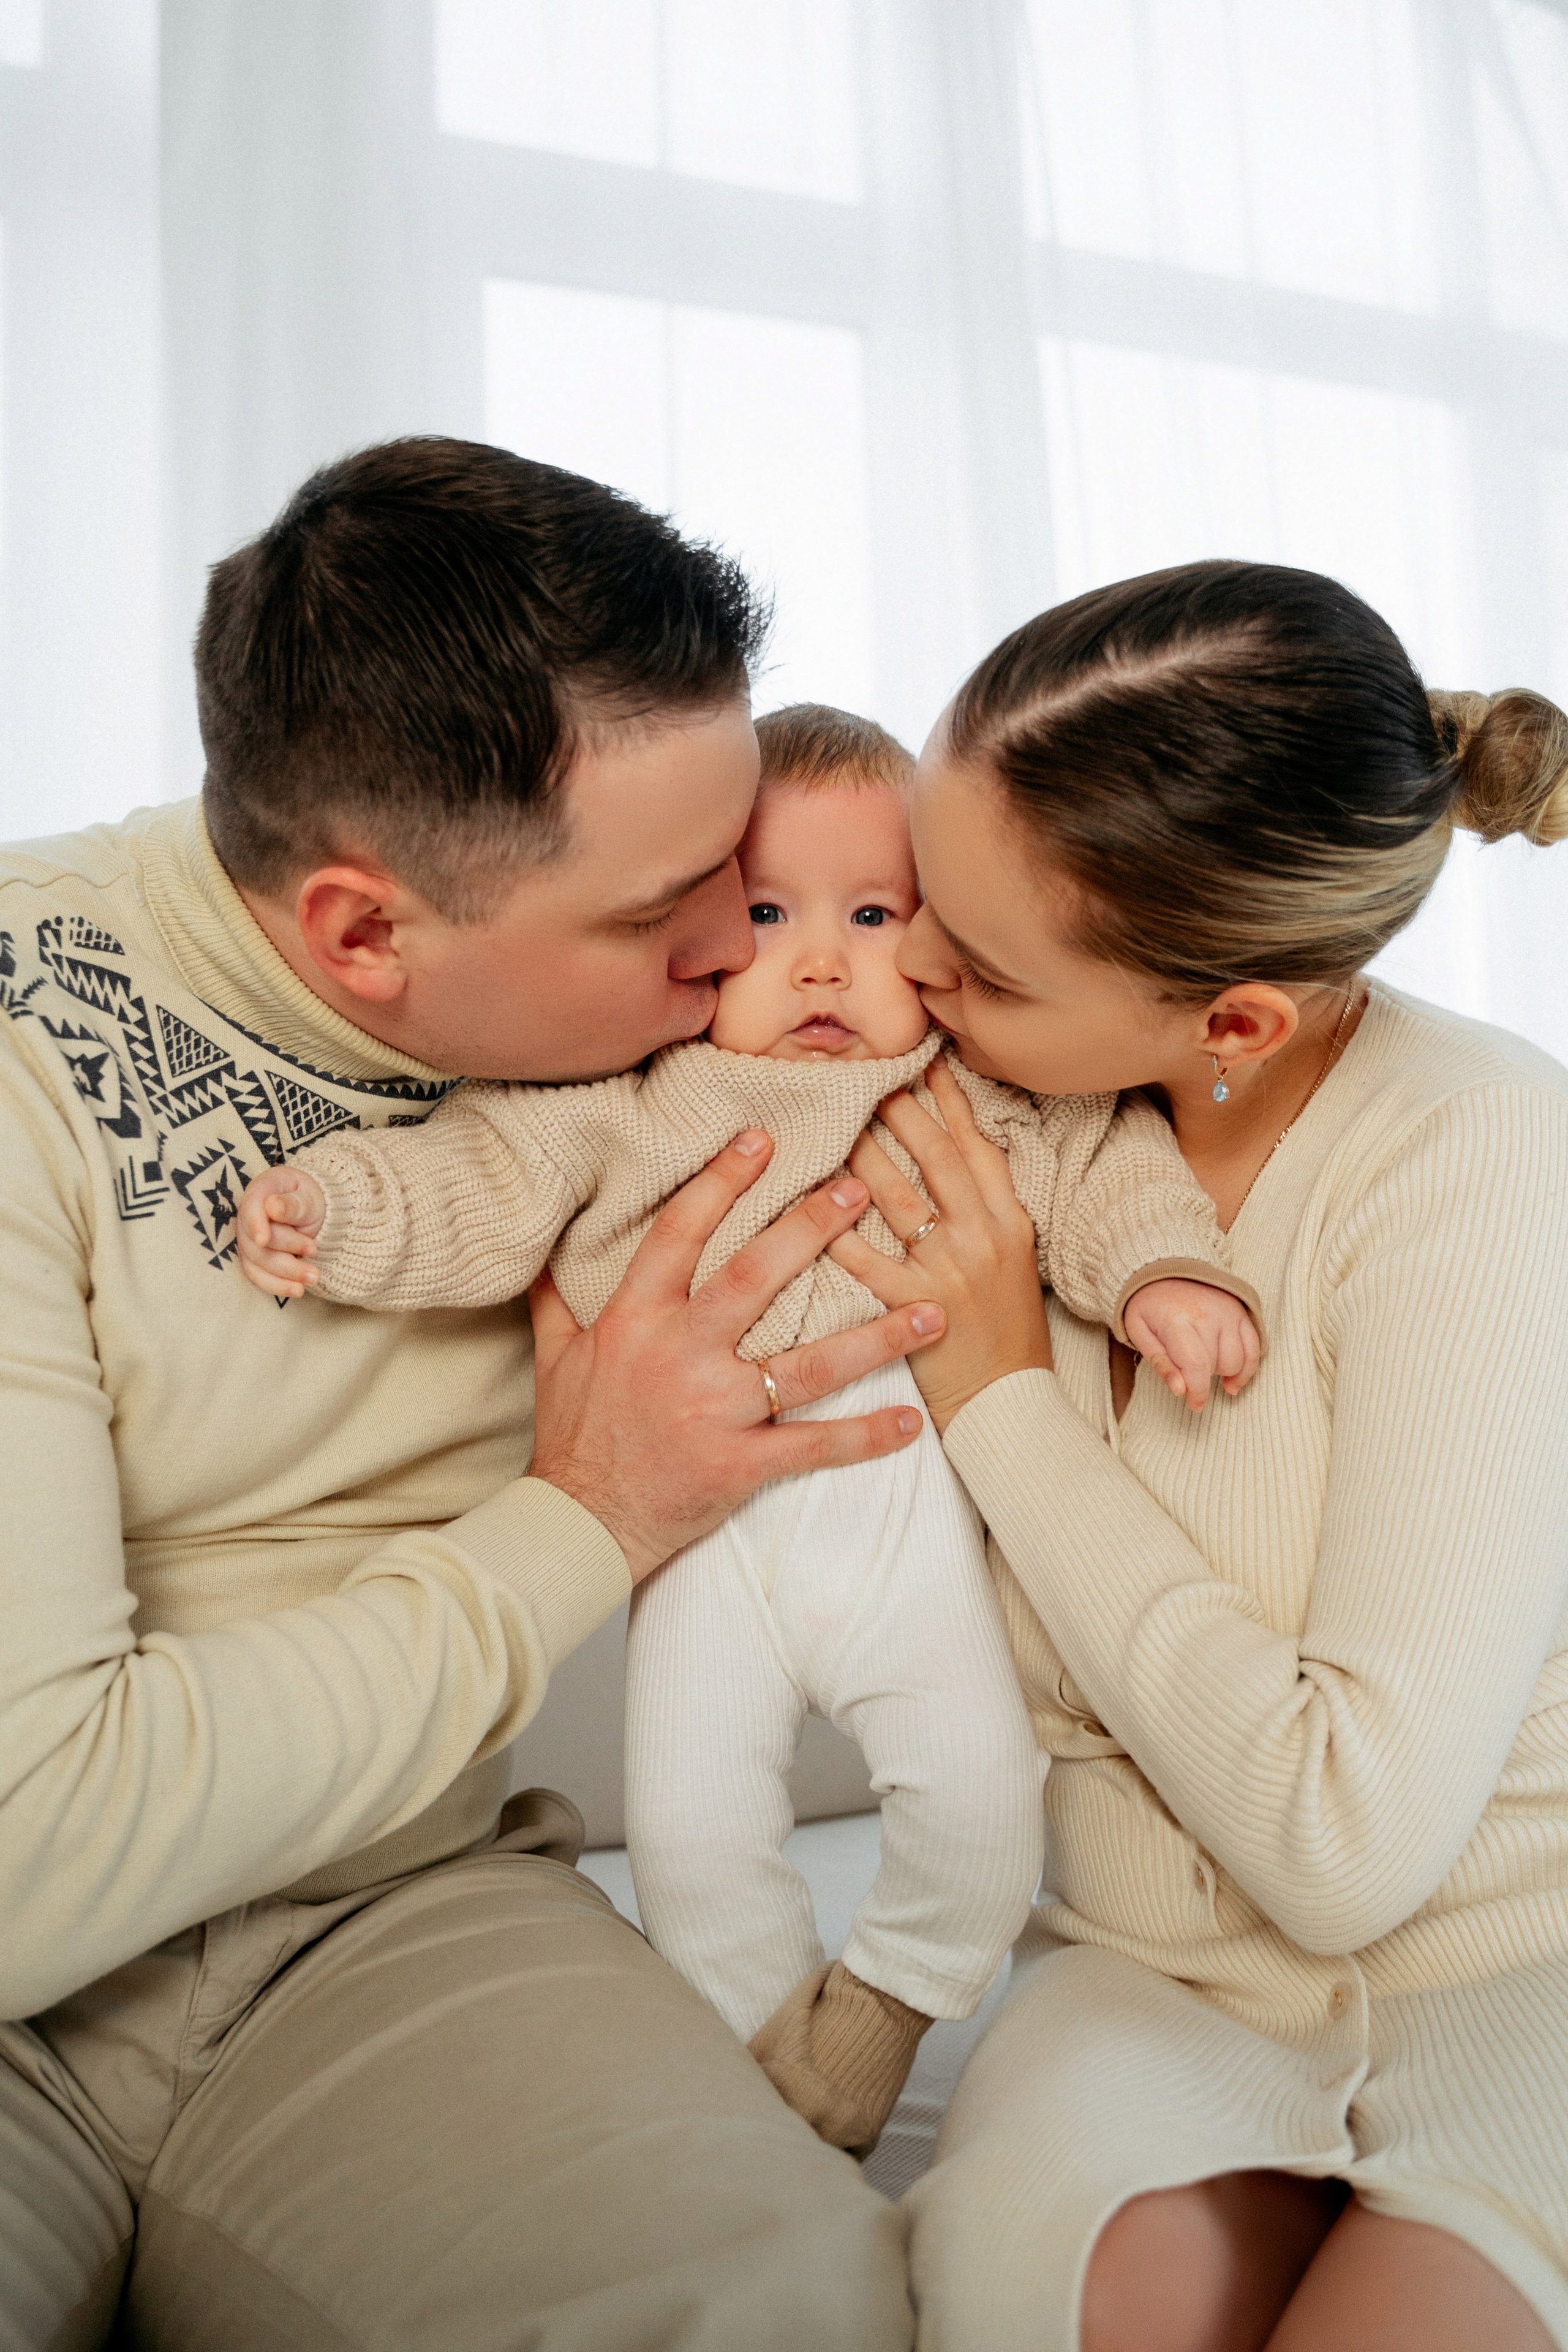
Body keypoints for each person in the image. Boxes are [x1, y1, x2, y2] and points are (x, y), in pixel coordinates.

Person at [0, 440, 947, 2352]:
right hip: (23, 1977)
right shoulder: (29, 1037)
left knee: (780, 2297)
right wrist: (590, 1520)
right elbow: (30, 1845)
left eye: (749, 875)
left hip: (389, 1909)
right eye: (675, 912)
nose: (739, 955)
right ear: (364, 934)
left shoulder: (724, 1050)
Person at [235, 701, 1262, 2158]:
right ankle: (780, 2079)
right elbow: (479, 1177)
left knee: (981, 1812)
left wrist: (1164, 1274)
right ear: (701, 928)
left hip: (909, 1524)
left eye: (871, 913)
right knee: (690, 1845)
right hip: (702, 1546)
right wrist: (334, 1210)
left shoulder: (965, 1089)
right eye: (768, 913)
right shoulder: (633, 1096)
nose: (824, 960)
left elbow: (1110, 1167)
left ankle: (881, 2014)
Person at [829, 562, 1568, 2352]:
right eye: (921, 892)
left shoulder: (1480, 1161)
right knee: (1039, 2303)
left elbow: (1341, 1846)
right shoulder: (987, 1127)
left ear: (1236, 1020)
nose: (905, 969)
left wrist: (1006, 1395)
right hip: (1151, 1979)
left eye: (983, 966)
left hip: (1523, 1973)